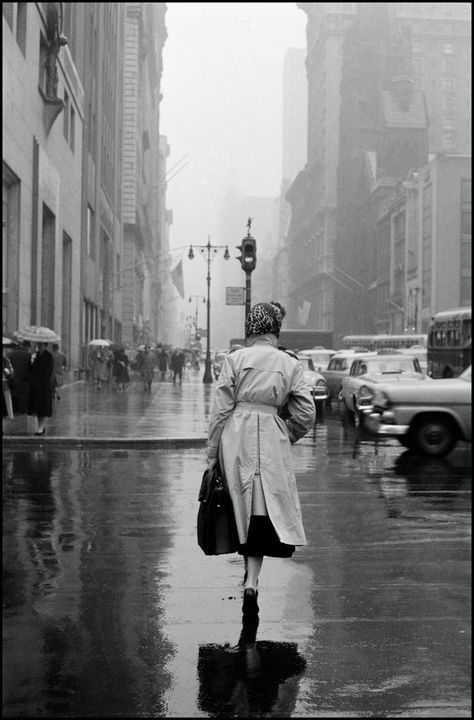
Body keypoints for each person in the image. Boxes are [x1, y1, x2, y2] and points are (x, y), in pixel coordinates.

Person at [206, 302, 315, 619]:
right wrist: (286, 433)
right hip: (271, 436)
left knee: (240, 509)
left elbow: (220, 412)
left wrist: (213, 452)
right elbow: (306, 413)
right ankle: (252, 580)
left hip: (236, 436)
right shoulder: (288, 363)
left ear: (250, 331)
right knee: (263, 513)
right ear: (274, 330)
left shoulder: (234, 359)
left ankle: (248, 580)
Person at [27, 342, 54, 435]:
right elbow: (29, 369)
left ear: (46, 346)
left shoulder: (49, 356)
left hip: (44, 386)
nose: (39, 346)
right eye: (38, 345)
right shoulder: (35, 355)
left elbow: (48, 371)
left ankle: (40, 427)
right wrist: (31, 361)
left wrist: (41, 381)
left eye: (41, 345)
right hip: (35, 386)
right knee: (38, 408)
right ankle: (40, 426)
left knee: (43, 408)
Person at [8, 340, 31, 414]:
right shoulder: (28, 355)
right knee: (24, 394)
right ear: (27, 346)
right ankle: (22, 410)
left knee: (15, 393)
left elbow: (8, 364)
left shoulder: (11, 354)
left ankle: (15, 409)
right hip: (24, 378)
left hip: (14, 377)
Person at [2, 349, 15, 426]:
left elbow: (11, 373)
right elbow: (12, 373)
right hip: (5, 386)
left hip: (4, 386)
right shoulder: (6, 360)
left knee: (5, 407)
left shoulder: (6, 360)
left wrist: (7, 372)